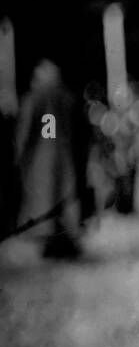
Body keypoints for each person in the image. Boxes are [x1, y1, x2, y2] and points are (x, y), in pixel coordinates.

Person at [15, 58, 86, 258]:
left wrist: (21, 155)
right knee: (64, 197)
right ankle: (65, 239)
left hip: (43, 157)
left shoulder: (38, 98)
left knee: (45, 198)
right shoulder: (67, 97)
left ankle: (49, 242)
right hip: (65, 154)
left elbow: (34, 131)